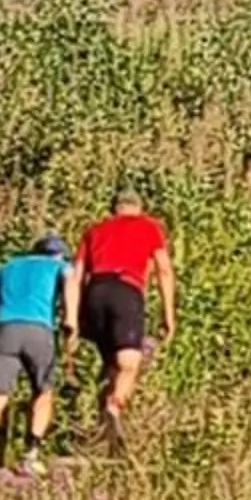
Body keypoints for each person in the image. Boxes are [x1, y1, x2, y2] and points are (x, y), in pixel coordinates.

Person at [74, 190, 178, 445]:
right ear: (139, 208)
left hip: (94, 293)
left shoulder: (94, 230)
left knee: (111, 363)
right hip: (125, 290)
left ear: (114, 209)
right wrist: (168, 315)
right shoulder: (149, 227)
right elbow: (164, 270)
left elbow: (76, 276)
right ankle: (114, 408)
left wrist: (73, 318)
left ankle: (102, 430)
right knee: (129, 363)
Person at [0, 233, 76, 488]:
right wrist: (70, 320)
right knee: (43, 392)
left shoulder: (6, 266)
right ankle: (31, 454)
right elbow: (71, 284)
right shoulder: (61, 266)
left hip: (5, 330)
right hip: (39, 331)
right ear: (59, 255)